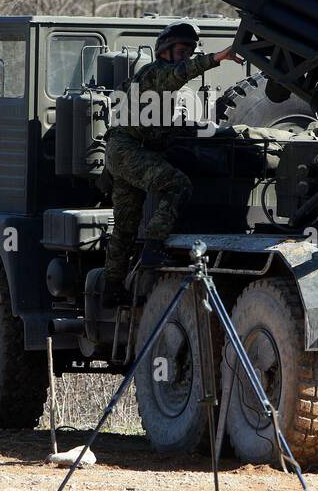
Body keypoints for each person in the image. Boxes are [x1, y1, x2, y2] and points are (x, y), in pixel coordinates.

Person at [101, 21, 243, 303]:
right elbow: (178, 75)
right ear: (164, 51)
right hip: (129, 150)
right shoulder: (154, 74)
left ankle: (111, 289)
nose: (186, 56)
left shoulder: (160, 86)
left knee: (125, 227)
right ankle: (153, 247)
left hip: (127, 152)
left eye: (190, 52)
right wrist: (216, 58)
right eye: (181, 51)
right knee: (178, 185)